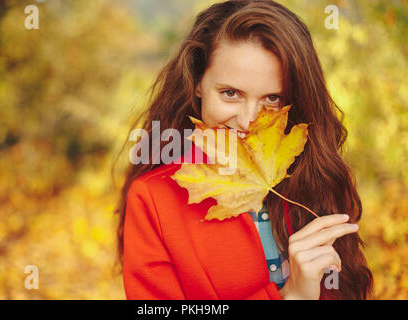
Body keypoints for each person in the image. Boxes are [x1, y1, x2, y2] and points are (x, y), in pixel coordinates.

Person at [114, 0, 373, 299]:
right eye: (230, 93)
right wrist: (290, 296)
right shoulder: (153, 199)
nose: (249, 120)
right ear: (197, 83)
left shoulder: (313, 178)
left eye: (273, 98)